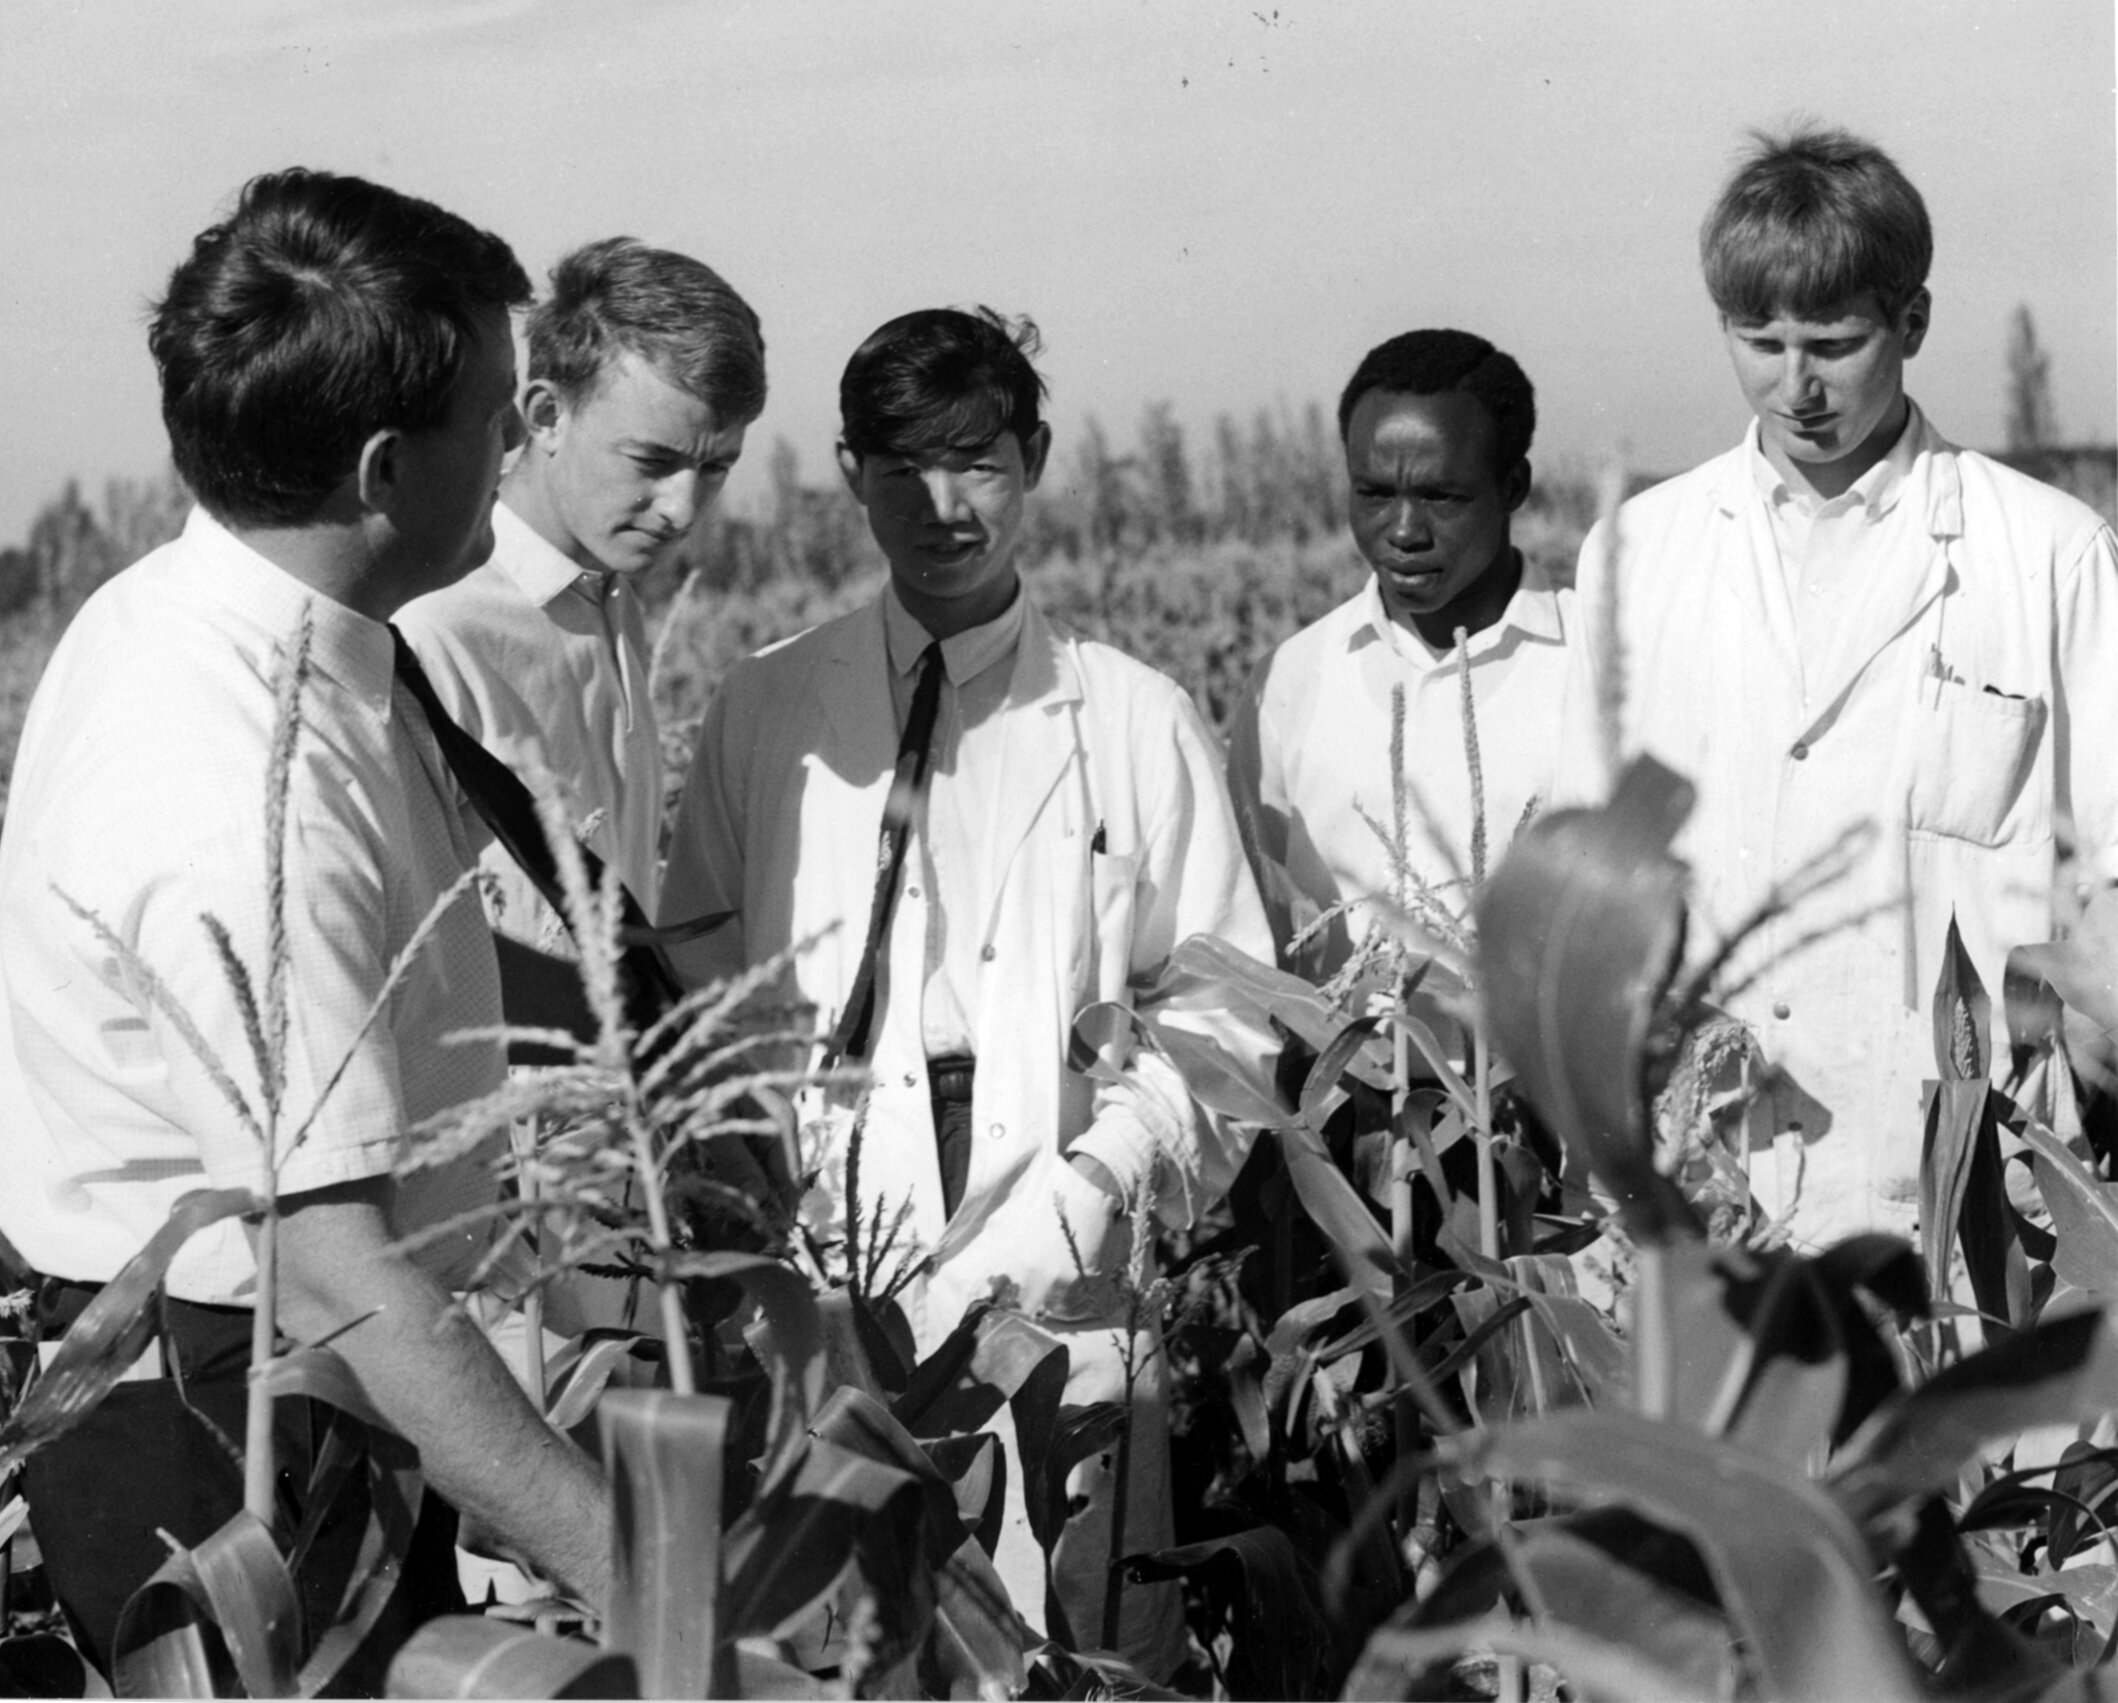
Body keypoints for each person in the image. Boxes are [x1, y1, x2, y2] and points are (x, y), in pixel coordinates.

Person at [0, 169, 609, 1681]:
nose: (524, 446)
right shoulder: (227, 770)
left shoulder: (215, 614)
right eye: (501, 416)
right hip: (231, 1439)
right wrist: (633, 1560)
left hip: (295, 1384)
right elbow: (332, 1267)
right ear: (389, 470)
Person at [656, 307, 1275, 1673]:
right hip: (824, 1253)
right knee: (847, 1643)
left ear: (1034, 457)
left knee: (1065, 1635)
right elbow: (691, 992)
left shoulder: (1132, 715)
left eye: (977, 461)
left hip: (1057, 1245)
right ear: (847, 472)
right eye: (901, 466)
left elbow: (1229, 1020)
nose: (941, 505)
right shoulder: (762, 711)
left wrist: (1102, 1175)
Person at [1557, 124, 2118, 1248]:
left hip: (1970, 1179)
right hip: (1710, 1174)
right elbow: (1592, 883)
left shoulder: (2049, 551)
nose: (1793, 384)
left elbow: (2109, 873)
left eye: (1832, 340)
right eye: (1756, 341)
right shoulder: (1639, 552)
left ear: (1910, 320)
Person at [397, 237, 764, 968]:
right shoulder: (433, 626)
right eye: (653, 462)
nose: (683, 509)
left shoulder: (611, 594)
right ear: (544, 415)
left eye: (715, 468)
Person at [1228, 329, 1564, 982]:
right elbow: (1247, 924)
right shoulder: (1289, 682)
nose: (1404, 530)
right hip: (1336, 1076)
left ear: (1514, 485)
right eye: (1375, 494)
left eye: (1441, 496)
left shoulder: (1593, 666)